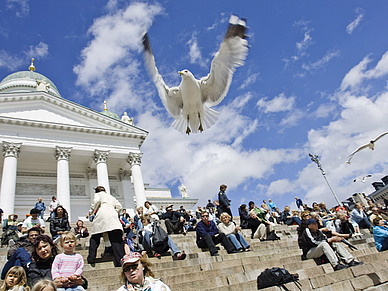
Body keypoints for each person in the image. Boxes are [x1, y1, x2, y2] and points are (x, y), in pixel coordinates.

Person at [86, 186, 125, 267]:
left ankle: (91, 258)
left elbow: (96, 202)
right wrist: (114, 212)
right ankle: (120, 261)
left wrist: (90, 212)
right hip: (112, 217)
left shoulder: (98, 194)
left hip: (102, 215)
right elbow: (119, 207)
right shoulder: (111, 197)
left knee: (95, 236)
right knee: (116, 240)